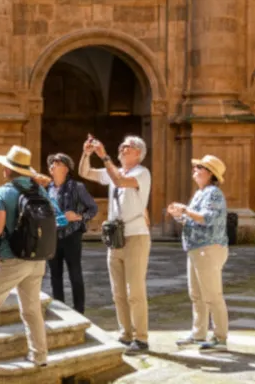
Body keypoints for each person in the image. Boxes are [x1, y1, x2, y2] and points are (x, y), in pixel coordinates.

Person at [0, 146, 67, 368]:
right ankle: (39, 355)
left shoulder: (3, 192)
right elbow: (58, 216)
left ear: (8, 169)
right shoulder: (39, 191)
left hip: (11, 257)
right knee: (32, 308)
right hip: (37, 259)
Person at [80, 135, 152, 354]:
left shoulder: (142, 173)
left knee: (135, 291)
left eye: (127, 147)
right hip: (115, 238)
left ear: (138, 153)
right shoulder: (113, 173)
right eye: (121, 145)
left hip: (135, 236)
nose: (122, 147)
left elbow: (120, 181)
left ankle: (141, 338)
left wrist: (104, 156)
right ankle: (125, 334)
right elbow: (85, 172)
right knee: (118, 292)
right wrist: (87, 154)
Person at [167, 154, 230, 353]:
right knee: (197, 295)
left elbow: (208, 219)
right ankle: (198, 333)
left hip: (208, 248)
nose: (194, 170)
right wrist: (180, 215)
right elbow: (193, 220)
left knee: (212, 295)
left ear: (210, 173)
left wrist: (184, 210)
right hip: (196, 248)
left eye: (199, 168)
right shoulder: (199, 193)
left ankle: (220, 338)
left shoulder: (213, 193)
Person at [32, 153, 96, 314]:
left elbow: (93, 208)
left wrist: (80, 217)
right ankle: (60, 308)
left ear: (66, 169)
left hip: (72, 235)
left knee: (75, 273)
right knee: (55, 275)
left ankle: (79, 310)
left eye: (57, 163)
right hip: (52, 236)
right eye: (51, 163)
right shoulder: (47, 189)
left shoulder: (77, 187)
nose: (52, 166)